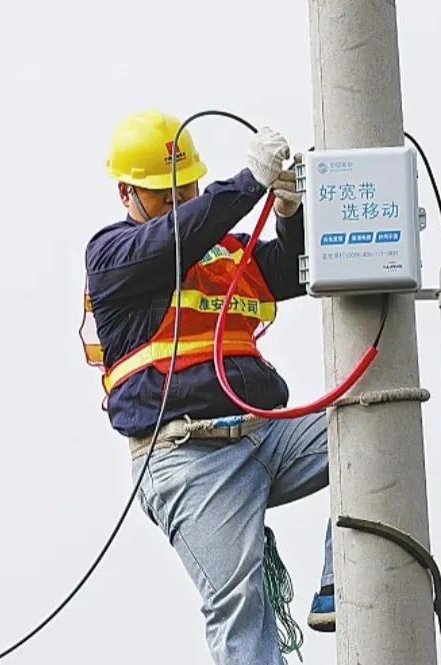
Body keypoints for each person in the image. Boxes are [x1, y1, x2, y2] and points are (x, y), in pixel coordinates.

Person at [82, 110, 335, 664]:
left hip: (262, 436)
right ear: (127, 193)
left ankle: (341, 583)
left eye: (187, 188)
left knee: (363, 428)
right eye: (163, 193)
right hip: (187, 457)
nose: (179, 200)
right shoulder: (112, 257)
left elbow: (297, 271)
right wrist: (248, 184)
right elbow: (175, 238)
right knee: (240, 608)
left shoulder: (224, 251)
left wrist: (291, 213)